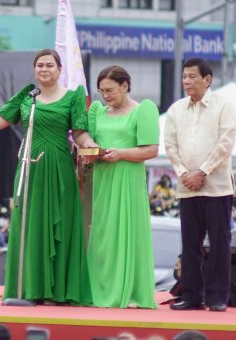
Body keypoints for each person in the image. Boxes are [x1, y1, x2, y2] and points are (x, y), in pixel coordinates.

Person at [0, 49, 96, 305]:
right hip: (29, 167)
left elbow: (80, 133)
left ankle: (58, 292)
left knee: (62, 225)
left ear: (59, 69)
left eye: (49, 65)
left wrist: (92, 144)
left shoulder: (72, 97)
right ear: (35, 69)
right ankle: (29, 289)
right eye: (40, 65)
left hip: (59, 167)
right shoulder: (27, 97)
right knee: (29, 225)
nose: (44, 69)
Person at [164, 58, 236, 312]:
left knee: (219, 243)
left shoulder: (224, 106)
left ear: (207, 79)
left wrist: (203, 172)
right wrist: (184, 173)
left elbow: (225, 143)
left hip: (217, 186)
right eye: (184, 76)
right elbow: (170, 146)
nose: (187, 81)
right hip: (187, 186)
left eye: (192, 76)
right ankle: (192, 295)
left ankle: (217, 297)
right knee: (190, 244)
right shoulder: (175, 110)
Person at [85, 65, 159, 308]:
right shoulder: (98, 111)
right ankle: (101, 288)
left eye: (110, 90)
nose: (106, 95)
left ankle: (130, 292)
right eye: (101, 91)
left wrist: (122, 154)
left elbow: (151, 149)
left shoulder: (142, 110)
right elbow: (88, 138)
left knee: (126, 230)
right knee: (103, 233)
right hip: (102, 177)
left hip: (127, 176)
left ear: (125, 85)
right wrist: (92, 150)